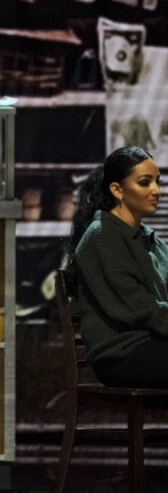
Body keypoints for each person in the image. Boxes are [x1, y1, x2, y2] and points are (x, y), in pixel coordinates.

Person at [67, 145, 168, 388]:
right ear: (117, 189)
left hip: (155, 343)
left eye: (157, 181)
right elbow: (142, 309)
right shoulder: (103, 236)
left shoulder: (148, 239)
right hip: (123, 354)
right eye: (145, 183)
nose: (157, 190)